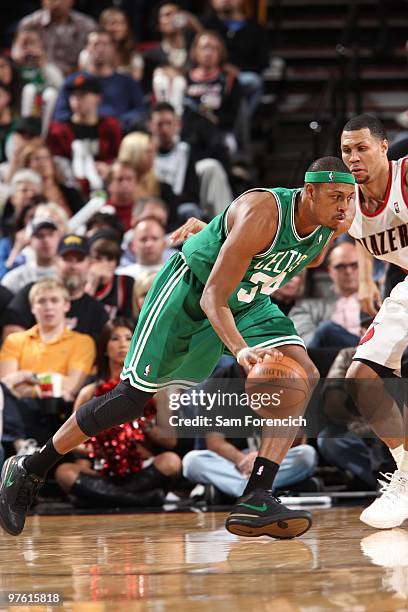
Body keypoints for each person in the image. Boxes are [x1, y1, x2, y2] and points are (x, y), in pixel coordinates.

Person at [0, 156, 356, 538]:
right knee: (130, 398)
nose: (344, 206)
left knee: (305, 374)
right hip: (191, 292)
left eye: (349, 197)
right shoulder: (264, 211)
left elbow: (277, 255)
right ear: (310, 191)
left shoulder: (330, 225)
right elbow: (213, 297)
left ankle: (256, 494)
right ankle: (31, 467)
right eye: (336, 196)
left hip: (249, 298)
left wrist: (217, 235)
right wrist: (240, 350)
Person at [339, 114, 408, 529]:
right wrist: (219, 231)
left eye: (362, 147)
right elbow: (279, 223)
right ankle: (406, 473)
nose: (353, 157)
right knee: (360, 378)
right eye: (347, 150)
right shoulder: (344, 200)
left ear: (384, 147)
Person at [54, 317, 179, 508]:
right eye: (114, 338)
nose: (122, 344)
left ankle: (99, 499)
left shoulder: (155, 391)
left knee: (172, 462)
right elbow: (71, 441)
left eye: (129, 338)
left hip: (140, 465)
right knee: (64, 472)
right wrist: (102, 448)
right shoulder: (89, 392)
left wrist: (140, 427)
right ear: (104, 347)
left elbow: (170, 441)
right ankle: (138, 500)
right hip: (101, 468)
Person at [289, 242, 360, 348]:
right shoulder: (307, 307)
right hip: (327, 358)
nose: (348, 271)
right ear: (330, 271)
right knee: (326, 329)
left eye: (355, 265)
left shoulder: (383, 303)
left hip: (373, 357)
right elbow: (306, 343)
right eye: (340, 266)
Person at [18, 0, 97, 76]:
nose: (58, 2)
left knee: (87, 55)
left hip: (78, 73)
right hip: (42, 73)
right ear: (43, 2)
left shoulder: (87, 24)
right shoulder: (30, 23)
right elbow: (18, 52)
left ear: (71, 1)